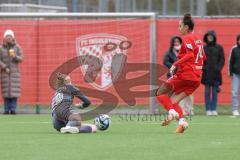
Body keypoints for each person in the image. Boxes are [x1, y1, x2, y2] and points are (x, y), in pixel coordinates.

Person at [156, 13, 206, 133]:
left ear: (186, 27)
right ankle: (182, 123)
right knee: (173, 101)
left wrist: (176, 64)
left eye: (180, 26)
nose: (179, 29)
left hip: (186, 75)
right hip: (196, 78)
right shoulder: (198, 39)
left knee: (160, 92)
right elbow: (203, 57)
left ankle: (171, 113)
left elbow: (190, 55)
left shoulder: (187, 38)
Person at [163, 36, 194, 116]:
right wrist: (174, 66)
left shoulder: (185, 52)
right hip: (173, 76)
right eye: (175, 42)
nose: (176, 43)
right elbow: (165, 61)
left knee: (187, 93)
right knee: (171, 93)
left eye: (178, 42)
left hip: (184, 75)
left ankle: (189, 110)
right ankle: (171, 110)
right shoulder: (169, 53)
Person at [0, 29, 24, 115]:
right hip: (4, 73)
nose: (8, 38)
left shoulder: (17, 47)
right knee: (6, 93)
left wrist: (15, 56)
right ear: (4, 38)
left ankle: (13, 109)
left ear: (13, 37)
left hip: (15, 74)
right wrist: (4, 67)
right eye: (7, 36)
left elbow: (21, 58)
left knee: (14, 93)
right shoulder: (1, 47)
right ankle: (6, 110)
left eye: (10, 36)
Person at [202, 30, 225, 116]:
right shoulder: (203, 48)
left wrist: (218, 68)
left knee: (215, 92)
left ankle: (214, 109)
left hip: (216, 73)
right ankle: (208, 109)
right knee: (207, 92)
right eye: (208, 36)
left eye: (211, 36)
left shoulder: (219, 47)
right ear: (206, 38)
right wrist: (204, 68)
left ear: (214, 37)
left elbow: (222, 59)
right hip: (206, 73)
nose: (210, 38)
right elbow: (200, 59)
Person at [229, 34, 240, 116]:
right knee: (235, 92)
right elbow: (230, 61)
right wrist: (230, 72)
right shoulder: (234, 49)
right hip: (236, 74)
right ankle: (235, 110)